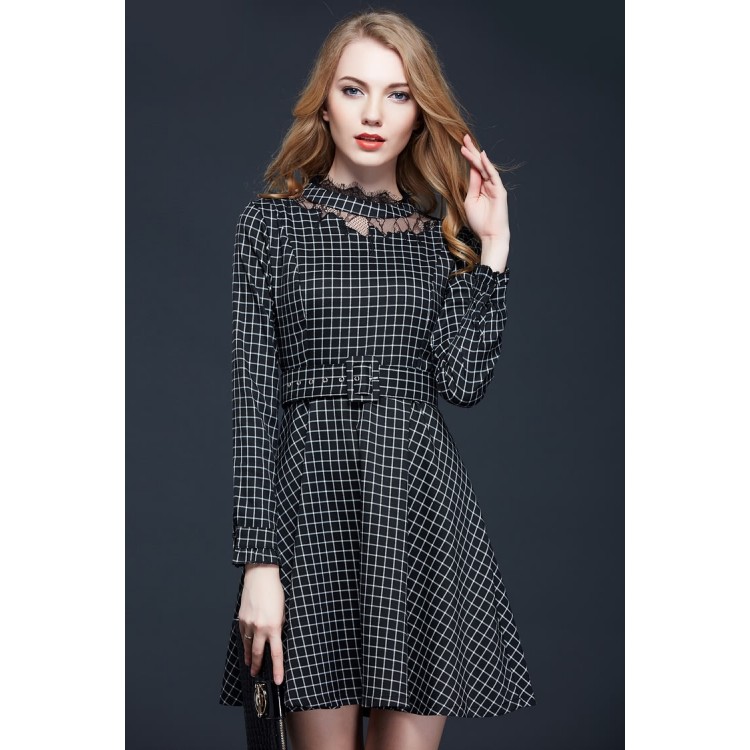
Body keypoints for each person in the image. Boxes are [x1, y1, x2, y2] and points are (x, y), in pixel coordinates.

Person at [219, 8, 536, 750]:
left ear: (419, 112)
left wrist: (493, 247)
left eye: (397, 95)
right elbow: (252, 402)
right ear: (324, 102)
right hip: (311, 514)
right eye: (353, 89)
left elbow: (462, 381)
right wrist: (259, 565)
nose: (372, 114)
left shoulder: (438, 241)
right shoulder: (270, 226)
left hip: (420, 512)